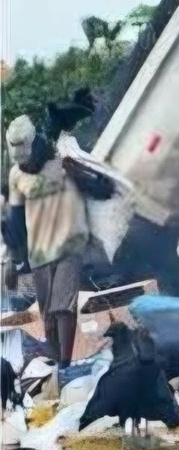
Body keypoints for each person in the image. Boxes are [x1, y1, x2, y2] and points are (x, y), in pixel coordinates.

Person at [5, 114, 111, 368]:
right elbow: (16, 218)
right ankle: (57, 360)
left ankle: (64, 364)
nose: (20, 155)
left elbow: (101, 188)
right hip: (39, 252)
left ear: (34, 143)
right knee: (47, 314)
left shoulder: (62, 164)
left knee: (62, 307)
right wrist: (13, 259)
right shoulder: (16, 175)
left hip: (69, 245)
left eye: (24, 149)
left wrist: (85, 175)